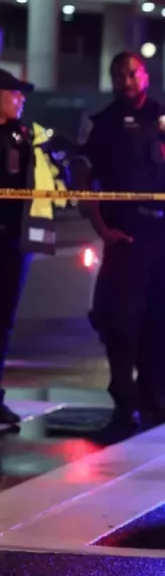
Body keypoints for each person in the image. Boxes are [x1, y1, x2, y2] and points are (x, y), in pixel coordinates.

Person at [73, 52, 165, 431]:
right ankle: (124, 399)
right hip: (127, 234)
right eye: (119, 74)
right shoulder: (100, 124)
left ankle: (157, 394)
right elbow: (82, 181)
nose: (126, 80)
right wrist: (102, 228)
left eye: (133, 73)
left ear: (145, 76)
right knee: (121, 321)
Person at [0, 69, 38, 427]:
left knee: (4, 321)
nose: (20, 99)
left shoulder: (22, 136)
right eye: (13, 93)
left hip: (13, 241)